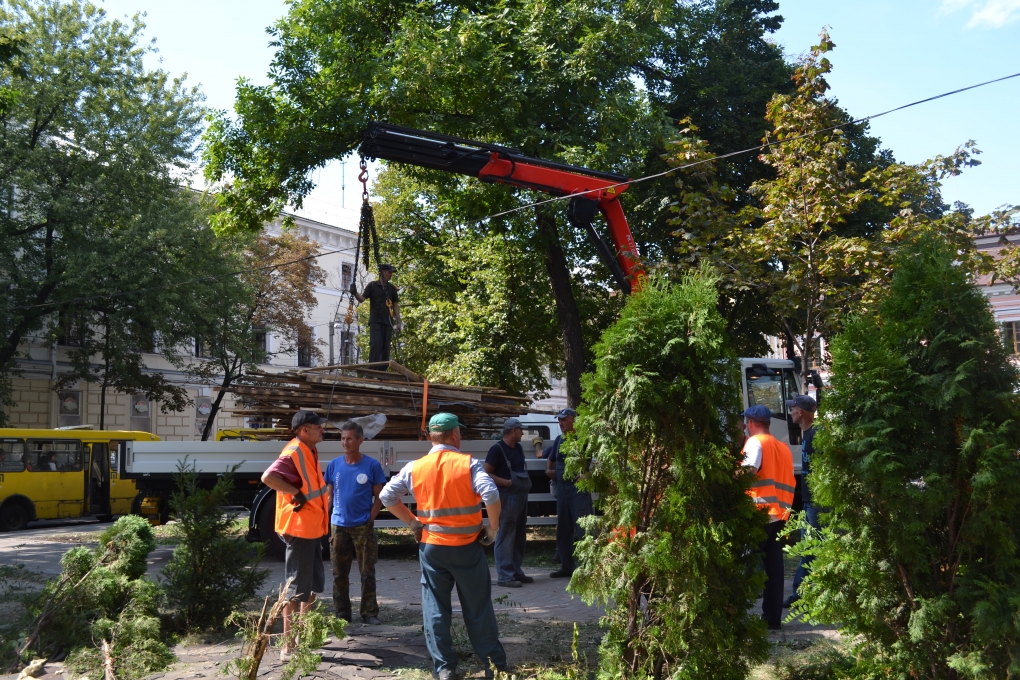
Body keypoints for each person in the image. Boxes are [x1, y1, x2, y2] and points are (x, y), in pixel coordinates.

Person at [380, 413, 507, 680]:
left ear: (430, 437)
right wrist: (492, 529)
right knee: (478, 606)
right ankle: (492, 665)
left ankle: (445, 668)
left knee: (435, 607)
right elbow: (491, 494)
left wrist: (413, 524)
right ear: (455, 435)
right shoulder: (468, 464)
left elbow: (386, 496)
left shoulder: (416, 467)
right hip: (467, 548)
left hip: (432, 549)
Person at [260, 410, 331, 659]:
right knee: (295, 588)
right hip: (300, 529)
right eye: (318, 426)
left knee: (310, 585)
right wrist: (296, 494)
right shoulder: (294, 451)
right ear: (304, 430)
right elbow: (268, 477)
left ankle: (304, 635)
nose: (323, 429)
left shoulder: (307, 449)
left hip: (311, 528)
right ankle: (288, 645)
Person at [324, 420, 387, 624]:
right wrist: (327, 518)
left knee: (367, 571)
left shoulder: (372, 465)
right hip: (339, 526)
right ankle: (342, 612)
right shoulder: (334, 465)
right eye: (343, 439)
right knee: (338, 573)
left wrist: (370, 517)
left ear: (360, 440)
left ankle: (369, 612)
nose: (345, 442)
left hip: (362, 526)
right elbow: (329, 496)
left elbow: (380, 497)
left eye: (349, 438)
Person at [741, 404, 795, 631]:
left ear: (751, 423)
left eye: (746, 423)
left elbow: (749, 470)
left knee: (745, 563)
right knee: (774, 568)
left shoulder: (755, 442)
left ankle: (735, 617)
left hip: (759, 514)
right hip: (780, 515)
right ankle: (772, 619)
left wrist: (728, 476)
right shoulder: (782, 447)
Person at [484, 417, 533, 588]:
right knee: (506, 535)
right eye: (520, 430)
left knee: (519, 535)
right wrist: (505, 482)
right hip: (506, 497)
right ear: (513, 431)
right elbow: (486, 473)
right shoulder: (497, 450)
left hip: (520, 496)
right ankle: (505, 576)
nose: (522, 433)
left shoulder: (518, 448)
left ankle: (515, 570)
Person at [546, 408, 591, 579]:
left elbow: (596, 462)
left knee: (584, 529)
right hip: (562, 491)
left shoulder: (584, 440)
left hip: (579, 491)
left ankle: (588, 568)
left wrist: (588, 474)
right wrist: (553, 474)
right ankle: (567, 566)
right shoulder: (558, 440)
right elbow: (550, 463)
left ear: (573, 420)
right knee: (563, 529)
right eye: (559, 420)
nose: (561, 423)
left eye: (564, 420)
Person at [785, 394, 819, 608]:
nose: (790, 412)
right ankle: (810, 591)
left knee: (810, 547)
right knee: (809, 546)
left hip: (817, 502)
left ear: (802, 412)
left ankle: (800, 592)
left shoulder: (816, 436)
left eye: (793, 409)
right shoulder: (806, 435)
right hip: (809, 501)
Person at [350, 264, 401, 363]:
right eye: (389, 272)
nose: (391, 275)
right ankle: (372, 370)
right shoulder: (372, 285)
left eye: (391, 273)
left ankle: (382, 372)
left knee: (385, 348)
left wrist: (398, 322)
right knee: (376, 344)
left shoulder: (392, 288)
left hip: (388, 322)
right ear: (383, 272)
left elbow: (395, 306)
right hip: (376, 321)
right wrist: (355, 292)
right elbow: (361, 299)